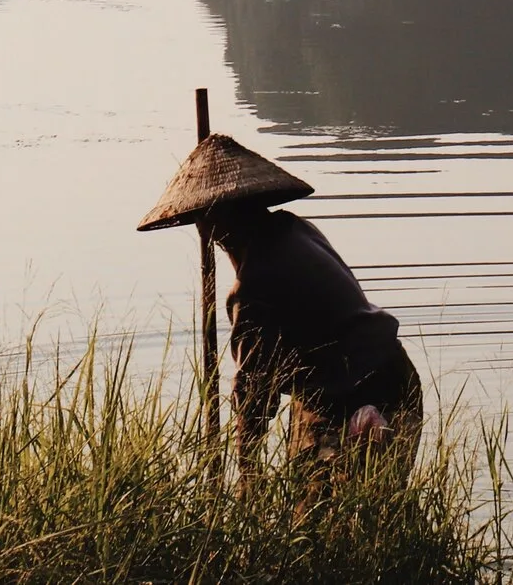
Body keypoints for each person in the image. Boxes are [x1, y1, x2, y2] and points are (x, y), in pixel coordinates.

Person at [138, 133, 422, 467]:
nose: (205, 230)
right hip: (393, 375)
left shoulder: (254, 286)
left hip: (361, 396)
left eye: (206, 220)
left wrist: (247, 471)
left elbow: (254, 393)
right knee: (362, 506)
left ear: (217, 225)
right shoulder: (295, 229)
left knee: (319, 515)